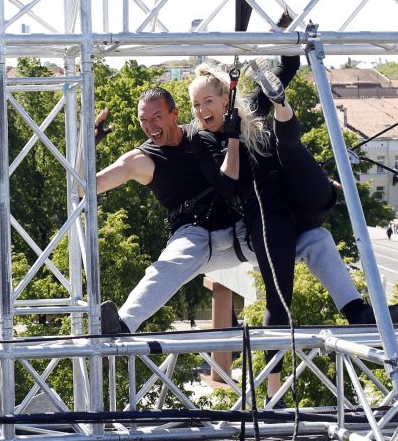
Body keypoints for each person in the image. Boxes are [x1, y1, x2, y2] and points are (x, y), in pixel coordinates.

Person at [86, 87, 390, 340]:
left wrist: (315, 181)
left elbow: (266, 153)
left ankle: (356, 311)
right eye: (144, 121)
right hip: (194, 234)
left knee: (316, 239)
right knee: (171, 263)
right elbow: (85, 187)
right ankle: (123, 324)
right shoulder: (141, 160)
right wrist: (89, 143)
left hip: (240, 231)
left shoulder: (204, 133)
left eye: (157, 118)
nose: (151, 127)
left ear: (174, 114)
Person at [188, 55, 390, 395]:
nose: (202, 110)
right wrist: (233, 139)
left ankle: (281, 104)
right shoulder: (202, 139)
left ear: (227, 97)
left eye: (209, 101)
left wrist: (283, 31)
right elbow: (228, 185)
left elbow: (290, 64)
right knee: (286, 289)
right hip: (268, 216)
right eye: (196, 105)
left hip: (302, 197)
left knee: (290, 147)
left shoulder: (249, 106)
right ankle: (277, 388)